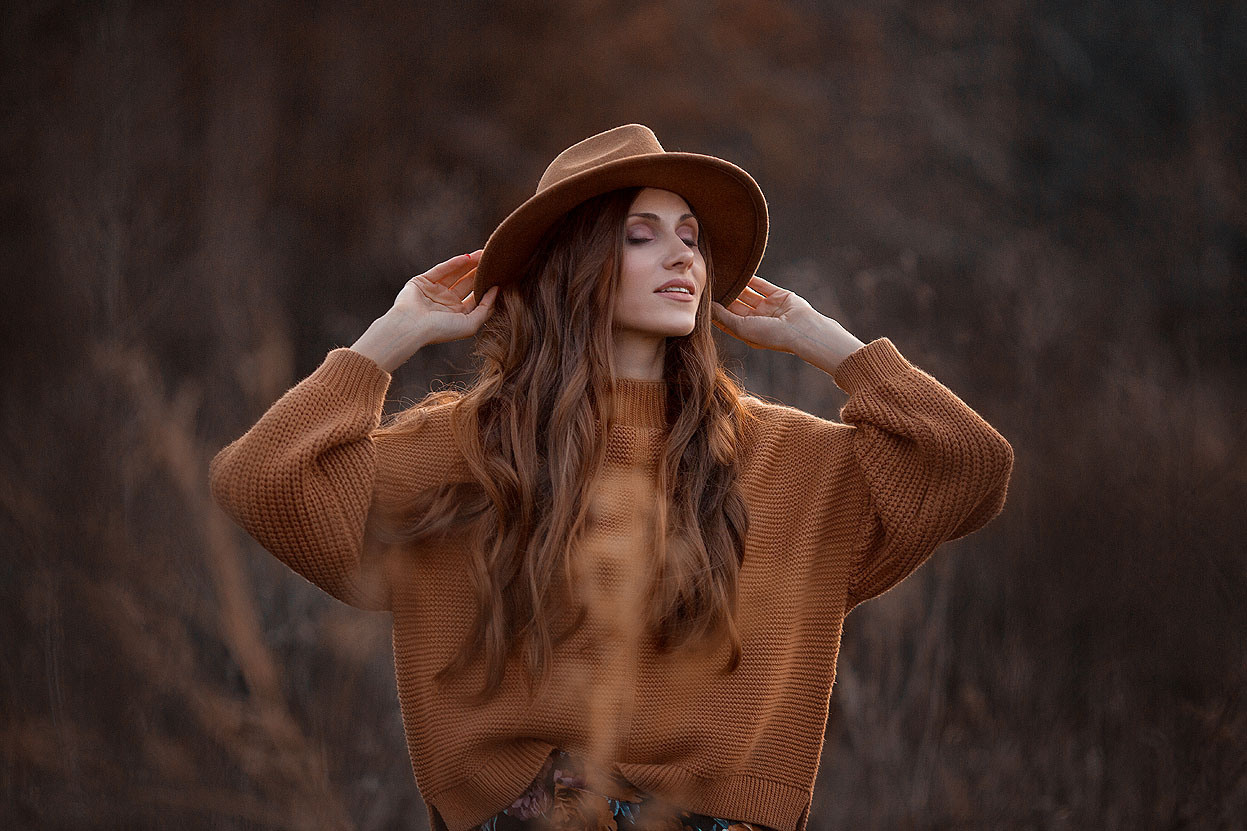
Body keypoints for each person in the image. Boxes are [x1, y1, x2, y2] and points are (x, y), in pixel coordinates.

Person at [209, 124, 1013, 831]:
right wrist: (390, 336)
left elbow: (970, 463)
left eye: (691, 236)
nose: (683, 255)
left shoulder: (781, 455)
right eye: (640, 235)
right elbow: (261, 480)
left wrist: (828, 343)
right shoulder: (468, 447)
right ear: (576, 260)